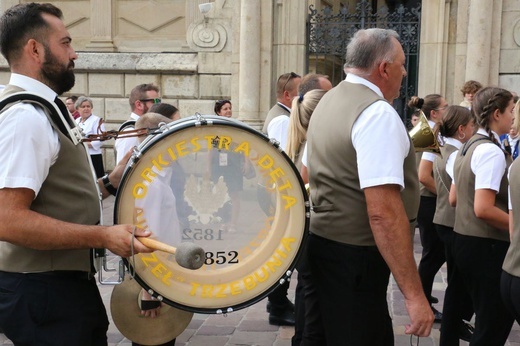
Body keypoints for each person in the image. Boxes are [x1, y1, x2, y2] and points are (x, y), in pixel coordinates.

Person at [0, 3, 153, 345]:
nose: (75, 54)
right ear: (35, 49)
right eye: (66, 42)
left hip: (53, 288)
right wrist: (103, 236)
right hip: (45, 292)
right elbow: (7, 220)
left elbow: (57, 197)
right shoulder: (27, 116)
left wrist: (111, 182)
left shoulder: (41, 109)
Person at [303, 28, 433, 345]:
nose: (404, 72)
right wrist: (415, 297)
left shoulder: (328, 100)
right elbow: (383, 215)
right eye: (402, 65)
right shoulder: (376, 114)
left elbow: (306, 171)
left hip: (323, 246)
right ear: (384, 68)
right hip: (356, 260)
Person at [452, 86, 515, 345]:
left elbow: (457, 199)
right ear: (497, 114)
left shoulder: (469, 145)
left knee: (487, 323)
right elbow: (483, 208)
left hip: (467, 241)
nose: (514, 117)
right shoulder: (489, 151)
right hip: (485, 247)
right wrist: (518, 225)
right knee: (492, 327)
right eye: (511, 110)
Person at [285, 89, 328, 346]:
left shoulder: (302, 139)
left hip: (304, 229)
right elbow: (304, 182)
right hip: (313, 229)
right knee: (315, 310)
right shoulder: (315, 140)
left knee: (307, 294)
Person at [132, 112, 179, 346]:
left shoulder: (158, 178)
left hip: (163, 274)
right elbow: (146, 239)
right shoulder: (150, 183)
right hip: (157, 278)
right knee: (154, 338)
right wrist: (150, 291)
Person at [431, 106, 476, 344]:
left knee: (458, 285)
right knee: (458, 286)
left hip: (445, 220)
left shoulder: (446, 149)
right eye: (471, 126)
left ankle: (451, 332)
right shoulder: (454, 155)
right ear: (461, 130)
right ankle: (450, 334)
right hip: (451, 222)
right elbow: (456, 195)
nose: (474, 130)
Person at [408, 94, 448, 322]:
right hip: (428, 200)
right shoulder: (430, 133)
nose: (448, 109)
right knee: (433, 254)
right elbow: (424, 176)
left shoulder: (425, 128)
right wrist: (447, 194)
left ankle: (424, 292)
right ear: (434, 113)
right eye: (445, 107)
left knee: (432, 253)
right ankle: (423, 299)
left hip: (425, 199)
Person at [212, 99, 244, 233]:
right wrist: (208, 167)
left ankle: (233, 223)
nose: (228, 111)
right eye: (225, 109)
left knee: (234, 195)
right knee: (220, 196)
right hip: (219, 166)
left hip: (234, 166)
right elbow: (211, 149)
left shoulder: (236, 126)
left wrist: (246, 163)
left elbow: (245, 145)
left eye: (229, 108)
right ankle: (224, 222)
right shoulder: (214, 128)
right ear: (218, 112)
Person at [114, 83, 161, 164]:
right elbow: (123, 169)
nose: (159, 105)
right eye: (155, 101)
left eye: (159, 101)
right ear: (139, 105)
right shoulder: (131, 132)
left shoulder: (143, 128)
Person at [263, 72, 302, 150]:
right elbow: (282, 158)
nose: (304, 94)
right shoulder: (282, 121)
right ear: (287, 95)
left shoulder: (282, 115)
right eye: (301, 90)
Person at [75, 96, 106, 178]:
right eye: (83, 106)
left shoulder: (96, 120)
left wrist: (84, 144)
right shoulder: (76, 121)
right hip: (80, 155)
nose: (86, 109)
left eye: (88, 106)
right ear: (78, 109)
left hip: (93, 156)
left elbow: (101, 138)